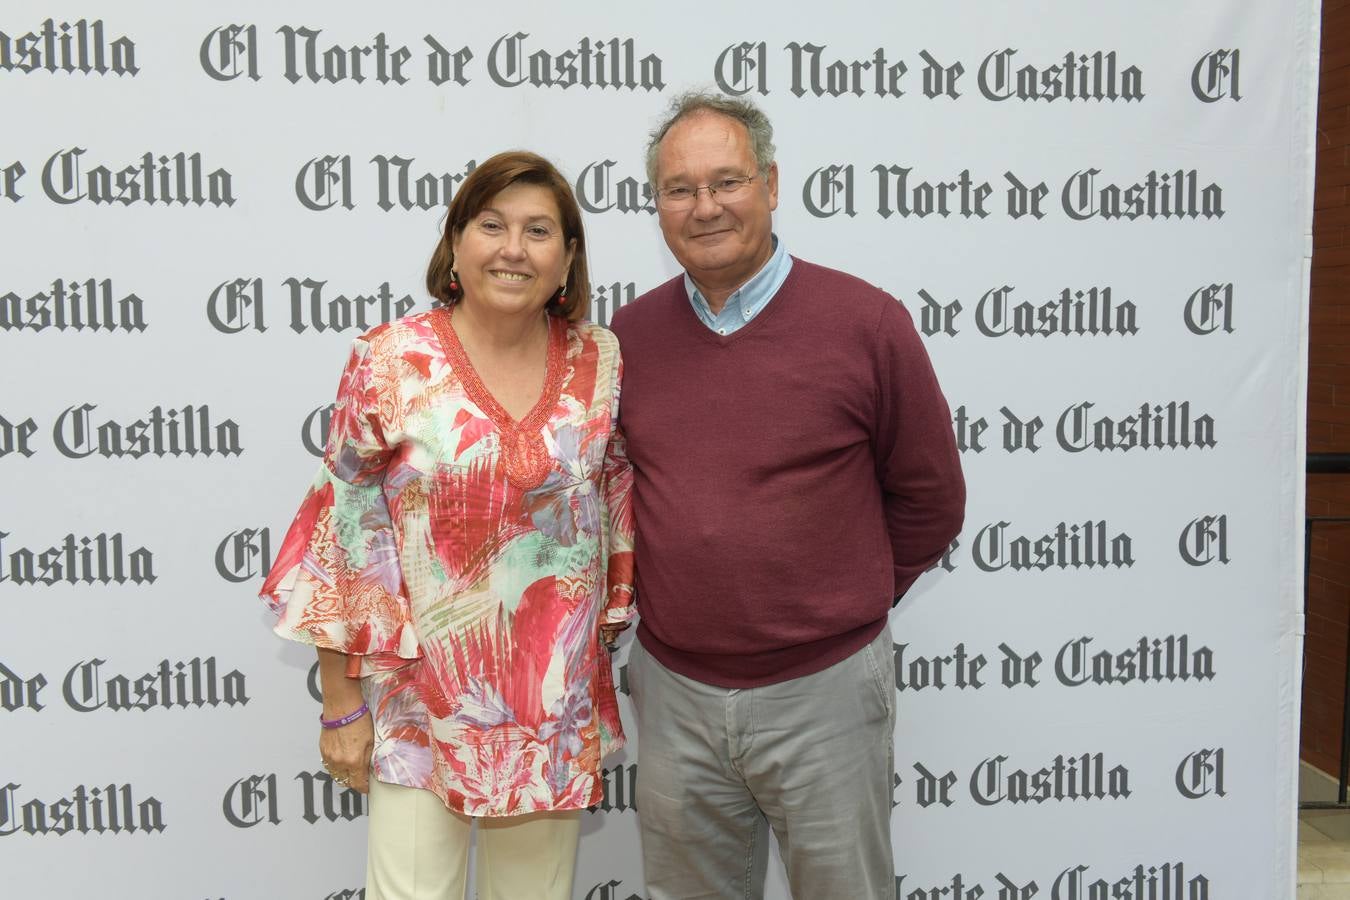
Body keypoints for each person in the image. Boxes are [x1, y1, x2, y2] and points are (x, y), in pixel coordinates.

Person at [610, 91, 965, 900]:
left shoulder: (868, 324)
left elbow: (930, 499)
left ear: (772, 184)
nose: (705, 207)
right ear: (657, 205)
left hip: (825, 692)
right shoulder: (625, 341)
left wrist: (839, 599)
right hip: (675, 696)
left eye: (727, 181)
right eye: (679, 189)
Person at [258, 150, 634, 900]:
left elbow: (613, 505)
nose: (513, 249)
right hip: (414, 710)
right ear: (455, 242)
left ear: (567, 259)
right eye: (491, 225)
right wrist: (342, 706)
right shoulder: (390, 359)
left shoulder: (602, 359)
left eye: (538, 231)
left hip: (547, 715)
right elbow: (345, 534)